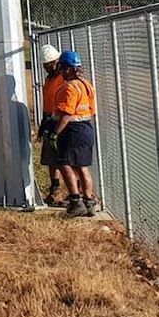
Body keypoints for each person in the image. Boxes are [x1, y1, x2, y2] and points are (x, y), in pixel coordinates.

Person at [52, 51, 99, 217]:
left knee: (65, 164)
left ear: (68, 69)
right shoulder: (86, 85)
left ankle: (76, 201)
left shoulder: (69, 88)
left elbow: (67, 113)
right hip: (87, 127)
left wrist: (55, 132)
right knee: (82, 167)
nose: (62, 72)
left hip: (72, 130)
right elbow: (92, 109)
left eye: (63, 68)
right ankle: (89, 202)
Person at [35, 44, 67, 206]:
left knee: (64, 159)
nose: (46, 67)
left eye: (48, 64)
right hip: (49, 120)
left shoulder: (63, 78)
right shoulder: (49, 79)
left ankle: (77, 191)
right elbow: (48, 103)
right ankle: (55, 190)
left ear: (56, 62)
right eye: (45, 65)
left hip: (60, 122)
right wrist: (43, 123)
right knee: (51, 160)